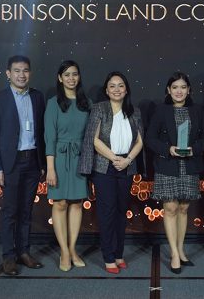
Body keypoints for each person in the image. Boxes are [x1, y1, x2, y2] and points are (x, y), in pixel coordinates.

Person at [78, 71, 144, 274]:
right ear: (106, 90)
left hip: (127, 165)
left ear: (126, 90)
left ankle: (118, 254)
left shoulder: (135, 111)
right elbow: (94, 139)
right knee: (107, 212)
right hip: (104, 166)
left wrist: (127, 160)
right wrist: (114, 158)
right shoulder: (99, 109)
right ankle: (108, 257)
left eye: (120, 85)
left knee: (121, 212)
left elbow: (140, 141)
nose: (117, 89)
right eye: (112, 86)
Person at [0, 55, 46, 276]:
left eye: (25, 70)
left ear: (30, 73)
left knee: (26, 210)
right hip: (10, 163)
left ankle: (24, 252)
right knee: (10, 211)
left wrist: (41, 163)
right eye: (17, 71)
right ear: (8, 74)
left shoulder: (37, 97)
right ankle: (9, 256)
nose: (22, 75)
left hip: (33, 161)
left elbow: (41, 131)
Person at [146, 72, 204, 274]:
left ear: (189, 90)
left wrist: (194, 149)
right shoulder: (161, 111)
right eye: (175, 87)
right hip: (168, 165)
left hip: (189, 165)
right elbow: (150, 138)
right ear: (168, 90)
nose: (179, 91)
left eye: (183, 87)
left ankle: (181, 250)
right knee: (170, 207)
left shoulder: (197, 111)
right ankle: (173, 252)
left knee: (183, 208)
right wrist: (168, 149)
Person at [44, 60, 92, 271]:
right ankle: (63, 251)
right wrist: (50, 168)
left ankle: (73, 249)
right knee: (60, 203)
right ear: (60, 78)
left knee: (77, 203)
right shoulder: (53, 103)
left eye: (75, 74)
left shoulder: (87, 103)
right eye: (67, 74)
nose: (71, 78)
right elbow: (49, 137)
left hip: (80, 157)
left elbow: (91, 135)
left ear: (79, 77)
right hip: (60, 158)